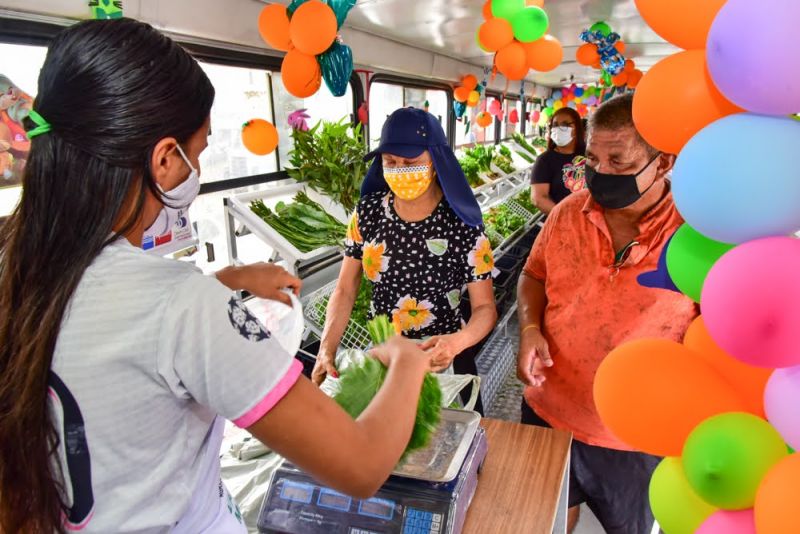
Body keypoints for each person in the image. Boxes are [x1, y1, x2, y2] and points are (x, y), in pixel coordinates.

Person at [0, 19, 432, 534]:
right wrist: (406, 362)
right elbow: (360, 465)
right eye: (197, 154)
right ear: (164, 159)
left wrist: (223, 279)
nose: (194, 172)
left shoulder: (18, 257)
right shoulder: (182, 306)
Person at [516, 93, 698, 534]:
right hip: (548, 410)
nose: (602, 173)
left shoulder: (697, 236)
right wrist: (529, 327)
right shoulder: (566, 214)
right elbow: (533, 276)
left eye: (619, 161)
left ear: (664, 162)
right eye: (594, 159)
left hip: (635, 436)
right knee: (548, 516)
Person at [312, 107, 498, 414]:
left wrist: (457, 342)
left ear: (436, 163)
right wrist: (325, 348)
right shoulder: (368, 214)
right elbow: (345, 289)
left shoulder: (462, 223)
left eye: (410, 163)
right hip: (384, 356)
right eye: (390, 163)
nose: (399, 170)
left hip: (442, 357)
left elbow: (484, 308)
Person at [530, 107, 587, 214]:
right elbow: (538, 199)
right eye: (555, 125)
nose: (559, 128)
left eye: (565, 125)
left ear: (577, 128)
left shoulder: (590, 154)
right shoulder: (545, 160)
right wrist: (566, 218)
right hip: (562, 222)